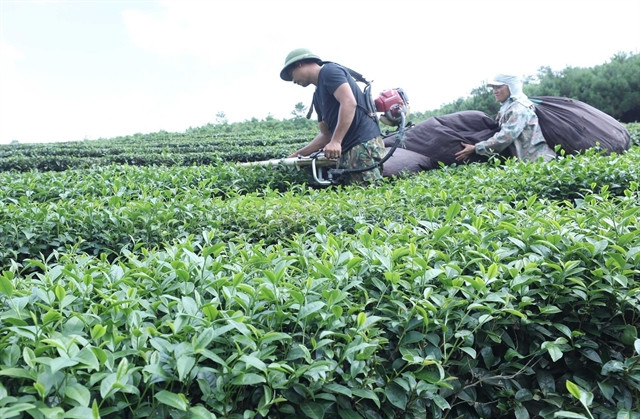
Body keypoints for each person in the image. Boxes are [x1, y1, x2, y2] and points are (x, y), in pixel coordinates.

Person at [280, 48, 386, 184]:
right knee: (354, 197)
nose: (293, 81)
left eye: (291, 75)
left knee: (370, 196)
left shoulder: (330, 71)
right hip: (347, 150)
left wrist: (336, 141)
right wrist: (297, 155)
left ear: (299, 64)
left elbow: (348, 102)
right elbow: (326, 135)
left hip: (362, 145)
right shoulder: (317, 96)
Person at [455, 74, 556, 163]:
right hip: (528, 162)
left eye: (498, 87)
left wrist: (476, 148)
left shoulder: (519, 108)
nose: (495, 91)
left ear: (511, 87)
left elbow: (505, 137)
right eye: (493, 88)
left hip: (539, 161)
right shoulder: (508, 107)